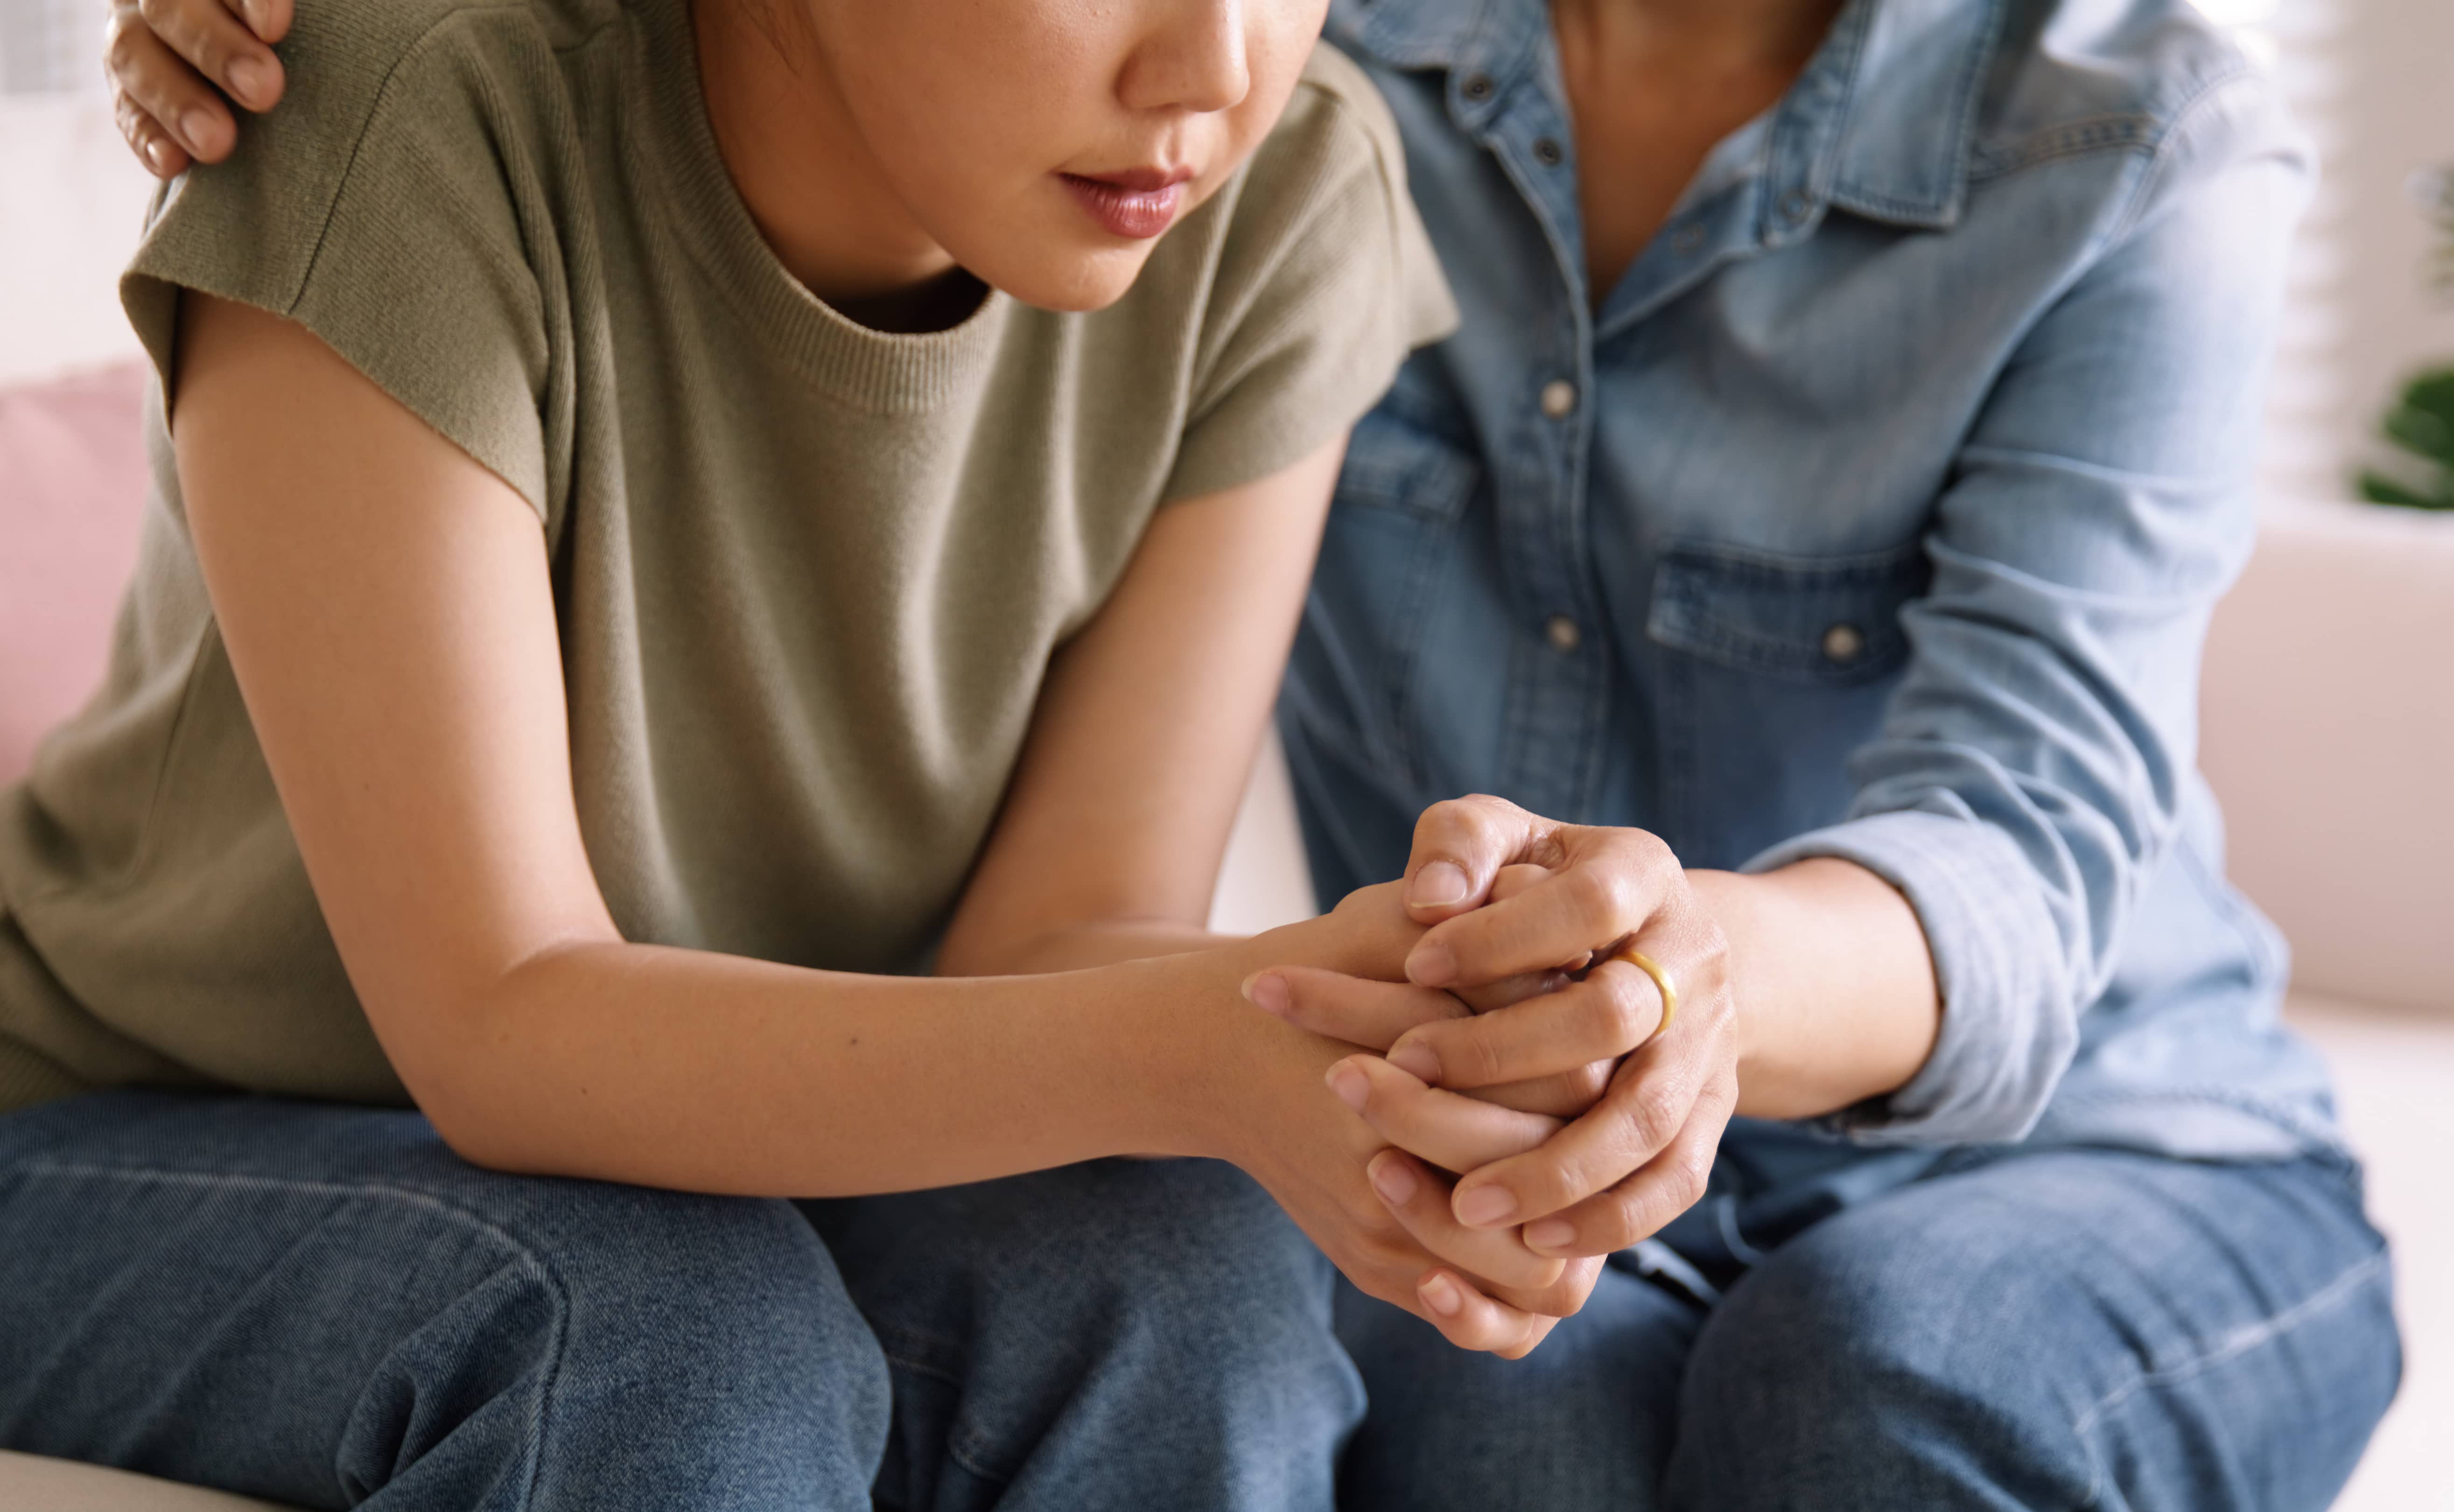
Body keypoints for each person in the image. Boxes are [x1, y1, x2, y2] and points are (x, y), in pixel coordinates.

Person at [99, 0, 2408, 1507]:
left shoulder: (2116, 137)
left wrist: (1570, 993)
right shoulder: (1330, 87)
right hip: (202, 1113)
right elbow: (545, 1015)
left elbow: (2027, 833)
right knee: (765, 1336)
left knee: (1842, 1390)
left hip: (2062, 1131)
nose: (1204, 65)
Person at [0, 0, 1638, 1508]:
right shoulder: (415, 109)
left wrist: (1368, 1021)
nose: (1212, 70)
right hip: (126, 1127)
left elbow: (1056, 939)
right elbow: (501, 1023)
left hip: (758, 1151)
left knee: (1184, 1275)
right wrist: (1207, 1044)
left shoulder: (1281, 193)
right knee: (657, 1335)